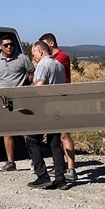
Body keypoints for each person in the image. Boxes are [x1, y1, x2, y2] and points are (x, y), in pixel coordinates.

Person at [26, 41, 70, 189]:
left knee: (32, 139)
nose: (34, 58)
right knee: (54, 143)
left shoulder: (43, 65)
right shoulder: (59, 65)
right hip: (58, 108)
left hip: (44, 109)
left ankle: (42, 175)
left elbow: (40, 88)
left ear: (41, 52)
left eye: (34, 55)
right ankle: (60, 178)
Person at [0, 36, 33, 171]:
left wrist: (25, 84)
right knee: (8, 131)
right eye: (6, 45)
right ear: (0, 46)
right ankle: (10, 162)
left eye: (11, 44)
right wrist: (1, 85)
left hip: (20, 98)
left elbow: (31, 72)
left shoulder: (22, 58)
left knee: (26, 131)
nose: (9, 47)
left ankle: (34, 159)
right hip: (5, 99)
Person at [40, 33, 78, 182]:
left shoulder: (62, 58)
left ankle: (71, 168)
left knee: (64, 134)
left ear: (50, 43)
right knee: (54, 136)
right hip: (52, 100)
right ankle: (60, 165)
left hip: (63, 99)